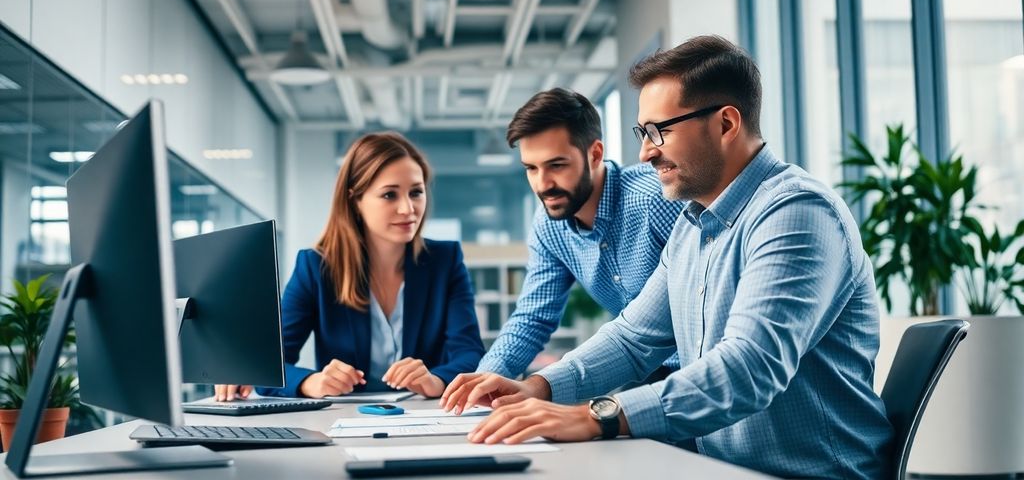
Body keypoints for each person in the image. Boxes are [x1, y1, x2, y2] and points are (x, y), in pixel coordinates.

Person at [440, 36, 894, 479]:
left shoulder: (795, 213)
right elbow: (634, 338)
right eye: (642, 132)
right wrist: (538, 387)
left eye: (659, 131)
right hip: (715, 464)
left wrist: (597, 415)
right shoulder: (693, 225)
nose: (644, 151)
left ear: (725, 124)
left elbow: (750, 367)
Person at [215, 131, 485, 401]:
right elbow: (269, 363)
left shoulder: (445, 261)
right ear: (355, 200)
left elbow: (470, 352)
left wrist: (436, 380)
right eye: (390, 195)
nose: (408, 208)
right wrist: (312, 381)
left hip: (425, 414)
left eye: (416, 192)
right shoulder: (315, 267)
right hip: (343, 417)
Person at [476, 88, 685, 380]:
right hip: (643, 373)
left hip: (696, 366)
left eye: (556, 165)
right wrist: (487, 376)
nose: (543, 183)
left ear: (595, 154)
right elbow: (533, 317)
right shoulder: (549, 225)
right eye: (531, 168)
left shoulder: (654, 200)